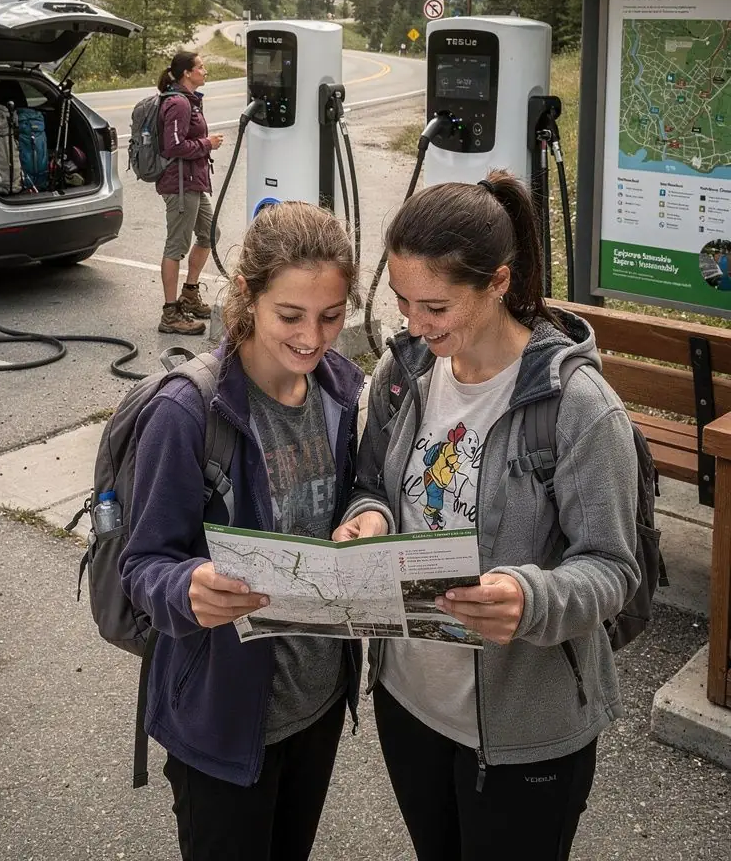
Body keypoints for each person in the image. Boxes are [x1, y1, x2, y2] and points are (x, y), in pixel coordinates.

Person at [334, 173, 640, 861]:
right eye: (402, 301)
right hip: (408, 700)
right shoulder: (405, 372)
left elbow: (613, 568)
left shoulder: (580, 408)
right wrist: (370, 518)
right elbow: (370, 483)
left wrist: (530, 598)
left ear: (498, 282)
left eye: (436, 306)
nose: (415, 324)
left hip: (525, 730)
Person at [120, 201, 364, 861]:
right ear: (249, 297)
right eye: (291, 315)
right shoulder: (187, 412)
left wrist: (363, 519)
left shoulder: (340, 391)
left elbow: (346, 502)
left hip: (316, 704)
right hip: (222, 721)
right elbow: (142, 565)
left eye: (331, 316)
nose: (312, 337)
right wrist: (188, 587)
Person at [155, 50, 224, 336]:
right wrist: (207, 143)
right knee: (176, 246)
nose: (205, 71)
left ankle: (189, 294)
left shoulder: (190, 101)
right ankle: (170, 314)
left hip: (193, 182)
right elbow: (173, 146)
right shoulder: (179, 103)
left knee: (210, 234)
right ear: (187, 73)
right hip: (180, 184)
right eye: (201, 67)